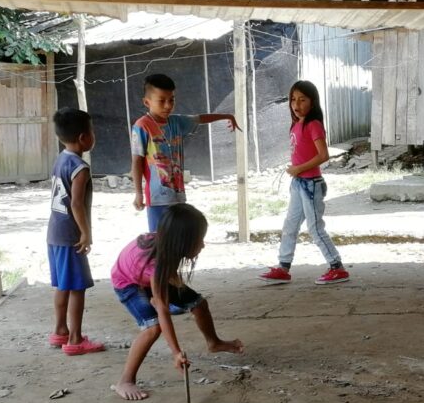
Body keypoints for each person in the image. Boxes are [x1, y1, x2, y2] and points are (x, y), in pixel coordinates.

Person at [110, 203, 244, 401]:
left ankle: (214, 343)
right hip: (127, 282)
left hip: (150, 275)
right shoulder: (156, 265)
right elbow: (163, 310)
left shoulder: (167, 244)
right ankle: (125, 380)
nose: (203, 245)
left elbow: (164, 283)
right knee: (153, 327)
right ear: (182, 242)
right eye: (198, 240)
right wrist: (176, 352)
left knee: (198, 304)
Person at [258, 80, 350, 286]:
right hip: (299, 184)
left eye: (302, 100)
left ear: (312, 102)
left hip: (311, 185)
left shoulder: (313, 124)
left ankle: (337, 268)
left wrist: (298, 168)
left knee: (315, 228)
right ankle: (283, 267)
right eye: (293, 99)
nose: (296, 104)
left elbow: (323, 155)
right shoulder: (296, 124)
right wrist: (297, 170)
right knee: (290, 226)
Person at [131, 73, 239, 232]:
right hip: (157, 198)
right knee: (158, 238)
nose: (168, 105)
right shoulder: (141, 126)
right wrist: (138, 193)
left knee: (178, 238)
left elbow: (200, 118)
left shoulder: (177, 122)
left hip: (178, 196)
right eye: (161, 100)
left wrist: (227, 116)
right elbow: (137, 162)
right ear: (147, 102)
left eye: (171, 100)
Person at [48, 109, 106, 356]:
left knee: (63, 285)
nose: (94, 136)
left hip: (54, 232)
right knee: (77, 288)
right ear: (83, 137)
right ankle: (75, 339)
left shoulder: (60, 159)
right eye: (92, 132)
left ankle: (60, 330)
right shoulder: (80, 167)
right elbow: (76, 204)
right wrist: (85, 233)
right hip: (71, 235)